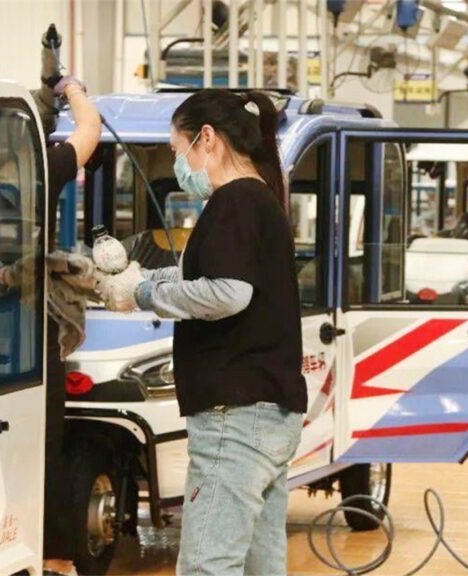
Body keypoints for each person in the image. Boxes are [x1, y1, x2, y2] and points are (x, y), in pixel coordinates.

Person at [103, 90, 307, 575]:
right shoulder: (261, 199)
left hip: (234, 418)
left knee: (207, 566)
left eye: (177, 151)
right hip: (269, 414)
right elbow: (220, 282)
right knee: (260, 565)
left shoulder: (233, 201)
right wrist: (146, 280)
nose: (178, 163)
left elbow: (227, 294)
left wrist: (145, 296)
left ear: (207, 139)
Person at [36, 74, 100, 576]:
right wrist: (73, 89)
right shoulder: (41, 166)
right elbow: (90, 129)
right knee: (44, 449)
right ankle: (55, 558)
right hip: (28, 332)